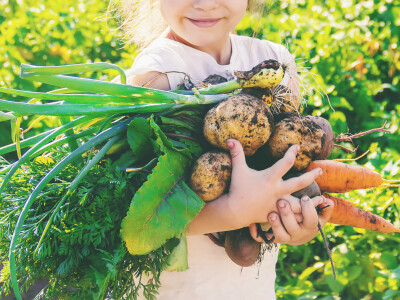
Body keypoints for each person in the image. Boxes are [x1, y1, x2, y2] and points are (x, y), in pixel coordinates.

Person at [110, 0, 334, 299]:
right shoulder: (156, 76)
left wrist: (297, 222)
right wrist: (233, 212)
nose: (204, 4)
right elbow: (138, 218)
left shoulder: (274, 61)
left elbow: (290, 159)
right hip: (176, 289)